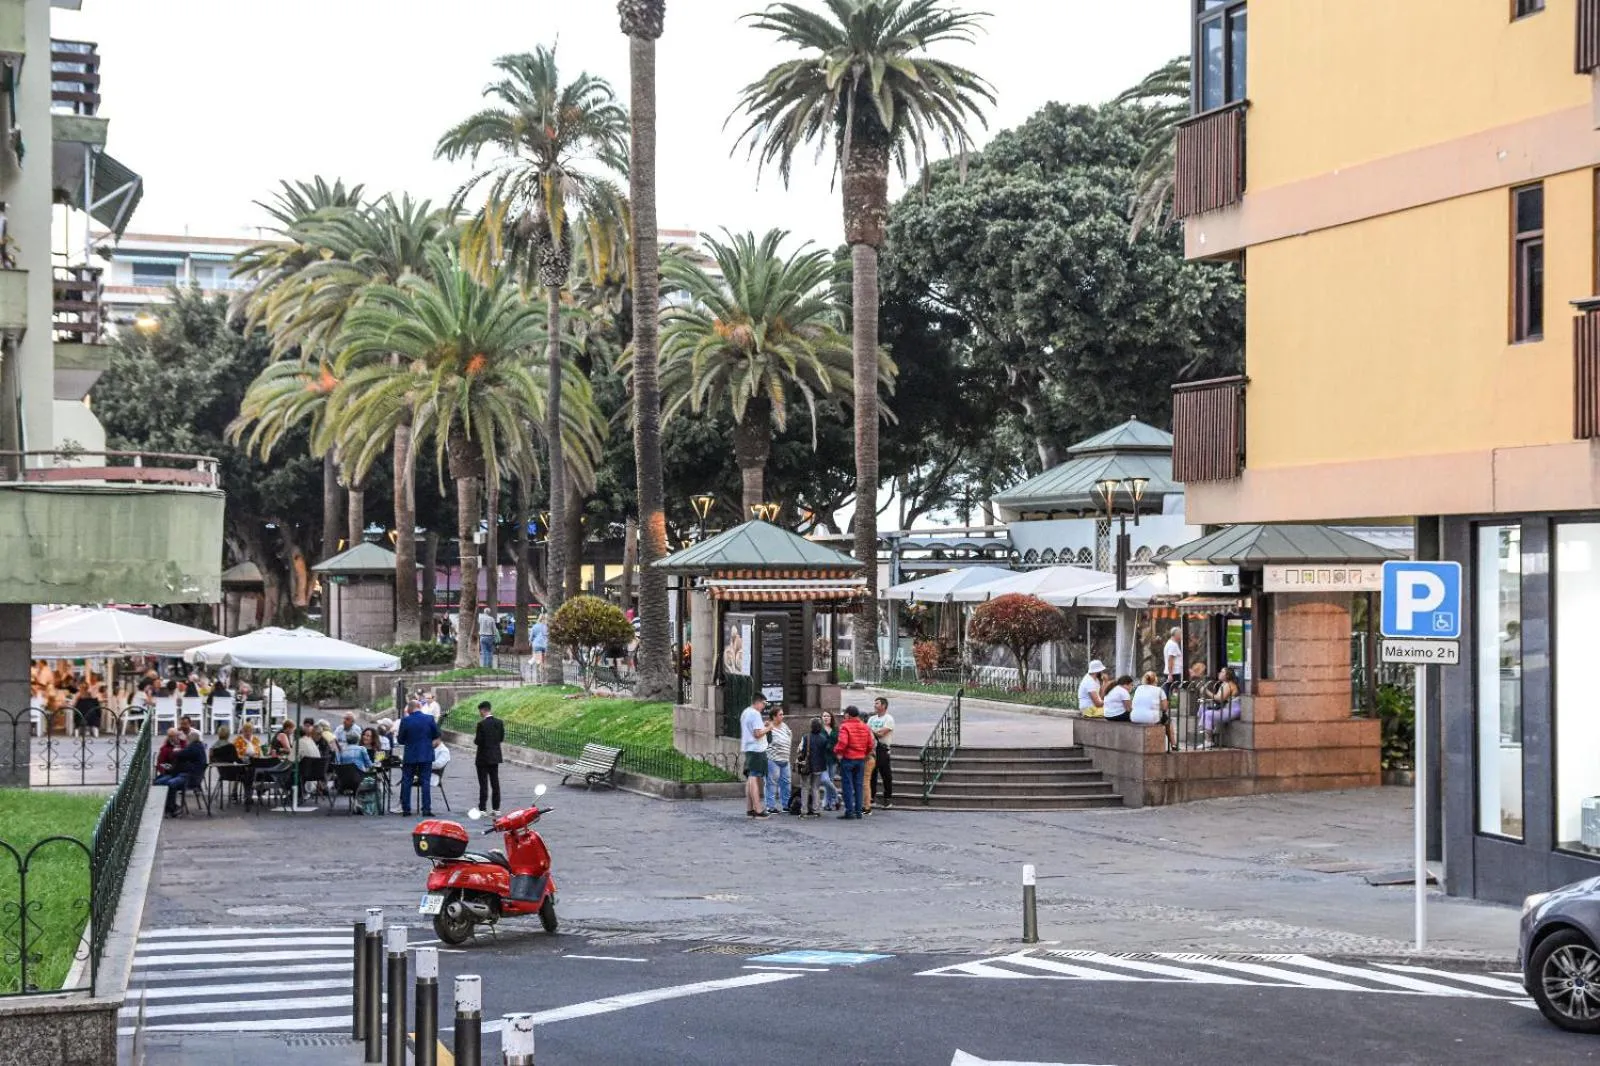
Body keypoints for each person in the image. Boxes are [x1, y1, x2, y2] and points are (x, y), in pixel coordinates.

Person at [397, 698, 441, 816]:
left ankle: (406, 809)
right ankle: (426, 809)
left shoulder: (405, 720)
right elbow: (436, 734)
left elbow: (400, 739)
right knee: (425, 781)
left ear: (410, 709)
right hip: (426, 754)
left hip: (410, 754)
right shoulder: (429, 719)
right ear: (419, 707)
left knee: (407, 781)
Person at [833, 706, 874, 820]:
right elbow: (870, 744)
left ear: (848, 715)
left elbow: (843, 742)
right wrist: (864, 753)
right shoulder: (865, 727)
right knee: (858, 785)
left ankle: (849, 811)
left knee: (847, 785)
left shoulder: (845, 726)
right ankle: (858, 811)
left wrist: (837, 751)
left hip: (848, 759)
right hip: (860, 759)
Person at [156, 729, 206, 817]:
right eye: (170, 736)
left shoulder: (191, 747)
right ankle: (167, 807)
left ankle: (171, 808)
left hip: (187, 776)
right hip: (175, 772)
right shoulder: (166, 748)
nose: (172, 738)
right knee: (158, 782)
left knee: (170, 783)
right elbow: (161, 763)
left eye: (174, 736)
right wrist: (166, 768)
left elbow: (181, 755)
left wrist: (175, 752)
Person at [739, 693, 772, 819]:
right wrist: (768, 728)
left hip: (749, 748)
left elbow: (752, 730)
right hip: (757, 749)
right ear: (758, 702)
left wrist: (762, 726)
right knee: (754, 777)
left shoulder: (746, 712)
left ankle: (750, 808)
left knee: (750, 778)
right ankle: (758, 809)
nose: (764, 707)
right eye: (763, 704)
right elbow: (757, 734)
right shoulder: (755, 713)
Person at [1131, 671, 1176, 752]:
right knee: (1168, 722)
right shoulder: (1159, 690)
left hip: (1134, 717)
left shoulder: (1139, 688)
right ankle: (1173, 744)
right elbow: (1165, 708)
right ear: (1155, 680)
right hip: (1150, 718)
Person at [1199, 666, 1242, 750]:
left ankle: (1209, 740)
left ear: (1227, 675)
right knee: (1203, 707)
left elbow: (1219, 698)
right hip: (1226, 708)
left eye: (1222, 672)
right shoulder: (1223, 684)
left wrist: (1206, 691)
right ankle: (1208, 729)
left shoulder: (1229, 685)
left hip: (1233, 710)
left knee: (1208, 714)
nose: (1220, 673)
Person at [473, 700, 504, 815]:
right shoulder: (499, 722)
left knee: (483, 784)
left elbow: (478, 741)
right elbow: (501, 738)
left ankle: (482, 809)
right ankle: (496, 808)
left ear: (482, 710)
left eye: (480, 711)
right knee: (495, 783)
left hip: (482, 758)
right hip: (495, 756)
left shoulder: (481, 724)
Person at [866, 696, 896, 812]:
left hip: (883, 749)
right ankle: (871, 796)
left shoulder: (888, 719)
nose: (875, 705)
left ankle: (887, 798)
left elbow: (881, 733)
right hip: (872, 749)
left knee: (885, 774)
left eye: (877, 703)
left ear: (883, 706)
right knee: (872, 773)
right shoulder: (872, 719)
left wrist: (871, 732)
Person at [764, 706, 792, 815]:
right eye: (780, 714)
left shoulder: (784, 726)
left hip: (785, 759)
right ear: (774, 717)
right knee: (771, 783)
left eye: (782, 714)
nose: (783, 716)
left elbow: (789, 734)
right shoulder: (768, 726)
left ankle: (786, 805)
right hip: (773, 759)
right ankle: (770, 806)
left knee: (786, 783)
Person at [798, 717, 827, 818]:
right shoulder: (823, 738)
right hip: (819, 766)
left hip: (807, 766)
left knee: (805, 788)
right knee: (815, 788)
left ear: (811, 726)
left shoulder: (806, 737)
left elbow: (800, 750)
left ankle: (804, 810)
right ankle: (816, 810)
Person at [818, 710, 841, 811]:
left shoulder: (836, 729)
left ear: (831, 718)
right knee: (825, 780)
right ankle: (836, 795)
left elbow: (839, 742)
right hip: (822, 758)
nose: (826, 718)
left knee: (830, 780)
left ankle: (827, 803)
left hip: (833, 758)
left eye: (828, 716)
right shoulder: (819, 729)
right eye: (824, 716)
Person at [531, 614, 549, 680]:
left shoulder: (534, 626)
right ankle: (544, 678)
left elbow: (531, 638)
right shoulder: (546, 627)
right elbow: (548, 636)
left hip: (536, 646)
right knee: (544, 662)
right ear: (544, 620)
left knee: (538, 662)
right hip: (544, 646)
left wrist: (532, 641)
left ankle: (538, 679)